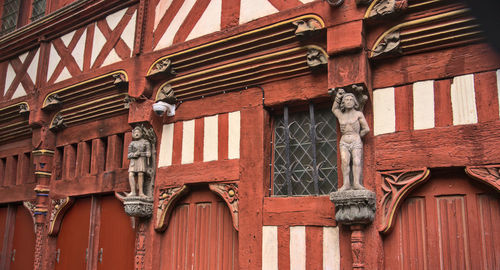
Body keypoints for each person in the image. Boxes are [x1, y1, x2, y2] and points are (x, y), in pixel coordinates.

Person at [331, 89, 370, 191]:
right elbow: (334, 109)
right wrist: (338, 96)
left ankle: (356, 183)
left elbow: (366, 129)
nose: (348, 101)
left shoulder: (358, 114)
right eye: (346, 100)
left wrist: (358, 136)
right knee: (344, 161)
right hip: (344, 141)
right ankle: (346, 184)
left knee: (356, 161)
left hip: (355, 139)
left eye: (351, 100)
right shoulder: (341, 114)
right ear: (343, 102)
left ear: (354, 102)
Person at [127, 126, 151, 197]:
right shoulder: (132, 143)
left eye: (138, 132)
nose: (137, 134)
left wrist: (148, 153)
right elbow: (129, 155)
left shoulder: (145, 142)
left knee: (140, 174)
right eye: (135, 132)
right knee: (131, 174)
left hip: (141, 159)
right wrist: (134, 154)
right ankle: (133, 191)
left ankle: (141, 192)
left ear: (141, 133)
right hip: (134, 160)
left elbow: (148, 151)